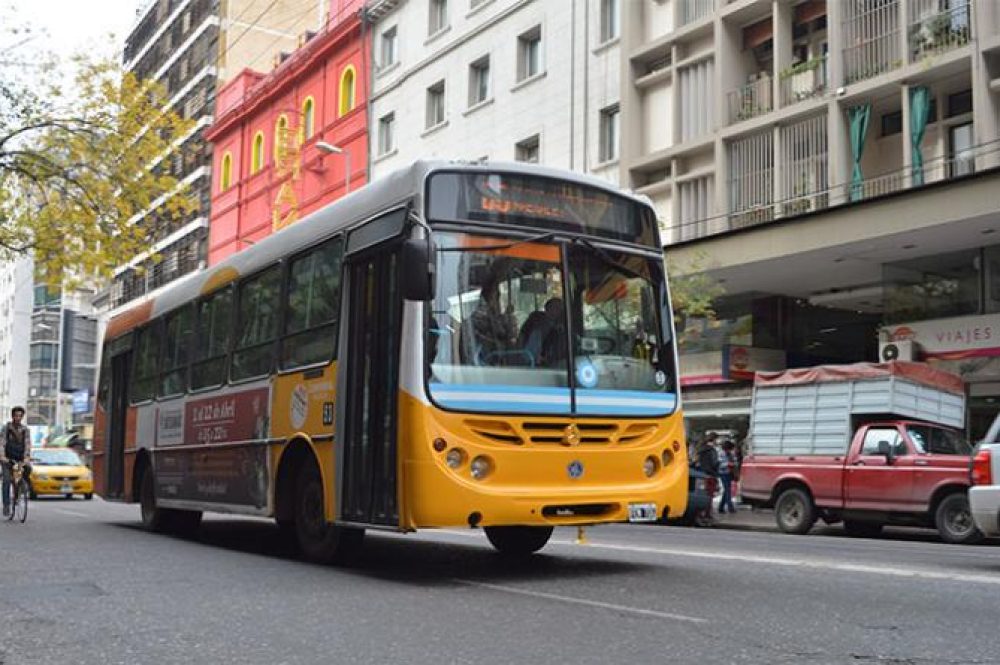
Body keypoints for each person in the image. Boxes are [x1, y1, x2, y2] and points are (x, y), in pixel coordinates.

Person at [462, 281, 518, 365]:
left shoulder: (490, 314)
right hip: (486, 353)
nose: (496, 300)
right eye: (496, 296)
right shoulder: (483, 313)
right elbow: (499, 332)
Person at [0, 406, 31, 517]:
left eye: (20, 416)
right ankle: (6, 505)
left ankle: (21, 489)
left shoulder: (25, 430)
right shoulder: (6, 428)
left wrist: (26, 458)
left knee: (28, 469)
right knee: (7, 480)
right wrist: (2, 456)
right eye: (16, 415)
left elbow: (27, 444)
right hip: (7, 459)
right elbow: (2, 443)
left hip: (19, 459)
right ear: (12, 416)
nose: (18, 418)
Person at [518, 297, 565, 367]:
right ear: (547, 308)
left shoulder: (562, 327)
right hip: (532, 359)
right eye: (555, 307)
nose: (557, 311)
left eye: (560, 309)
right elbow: (522, 336)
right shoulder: (535, 321)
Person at [717, 439, 737, 514]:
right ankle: (730, 507)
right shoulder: (721, 454)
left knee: (726, 490)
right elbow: (719, 465)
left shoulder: (731, 454)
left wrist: (734, 463)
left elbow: (735, 461)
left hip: (729, 473)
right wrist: (727, 464)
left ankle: (721, 507)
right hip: (723, 473)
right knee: (728, 490)